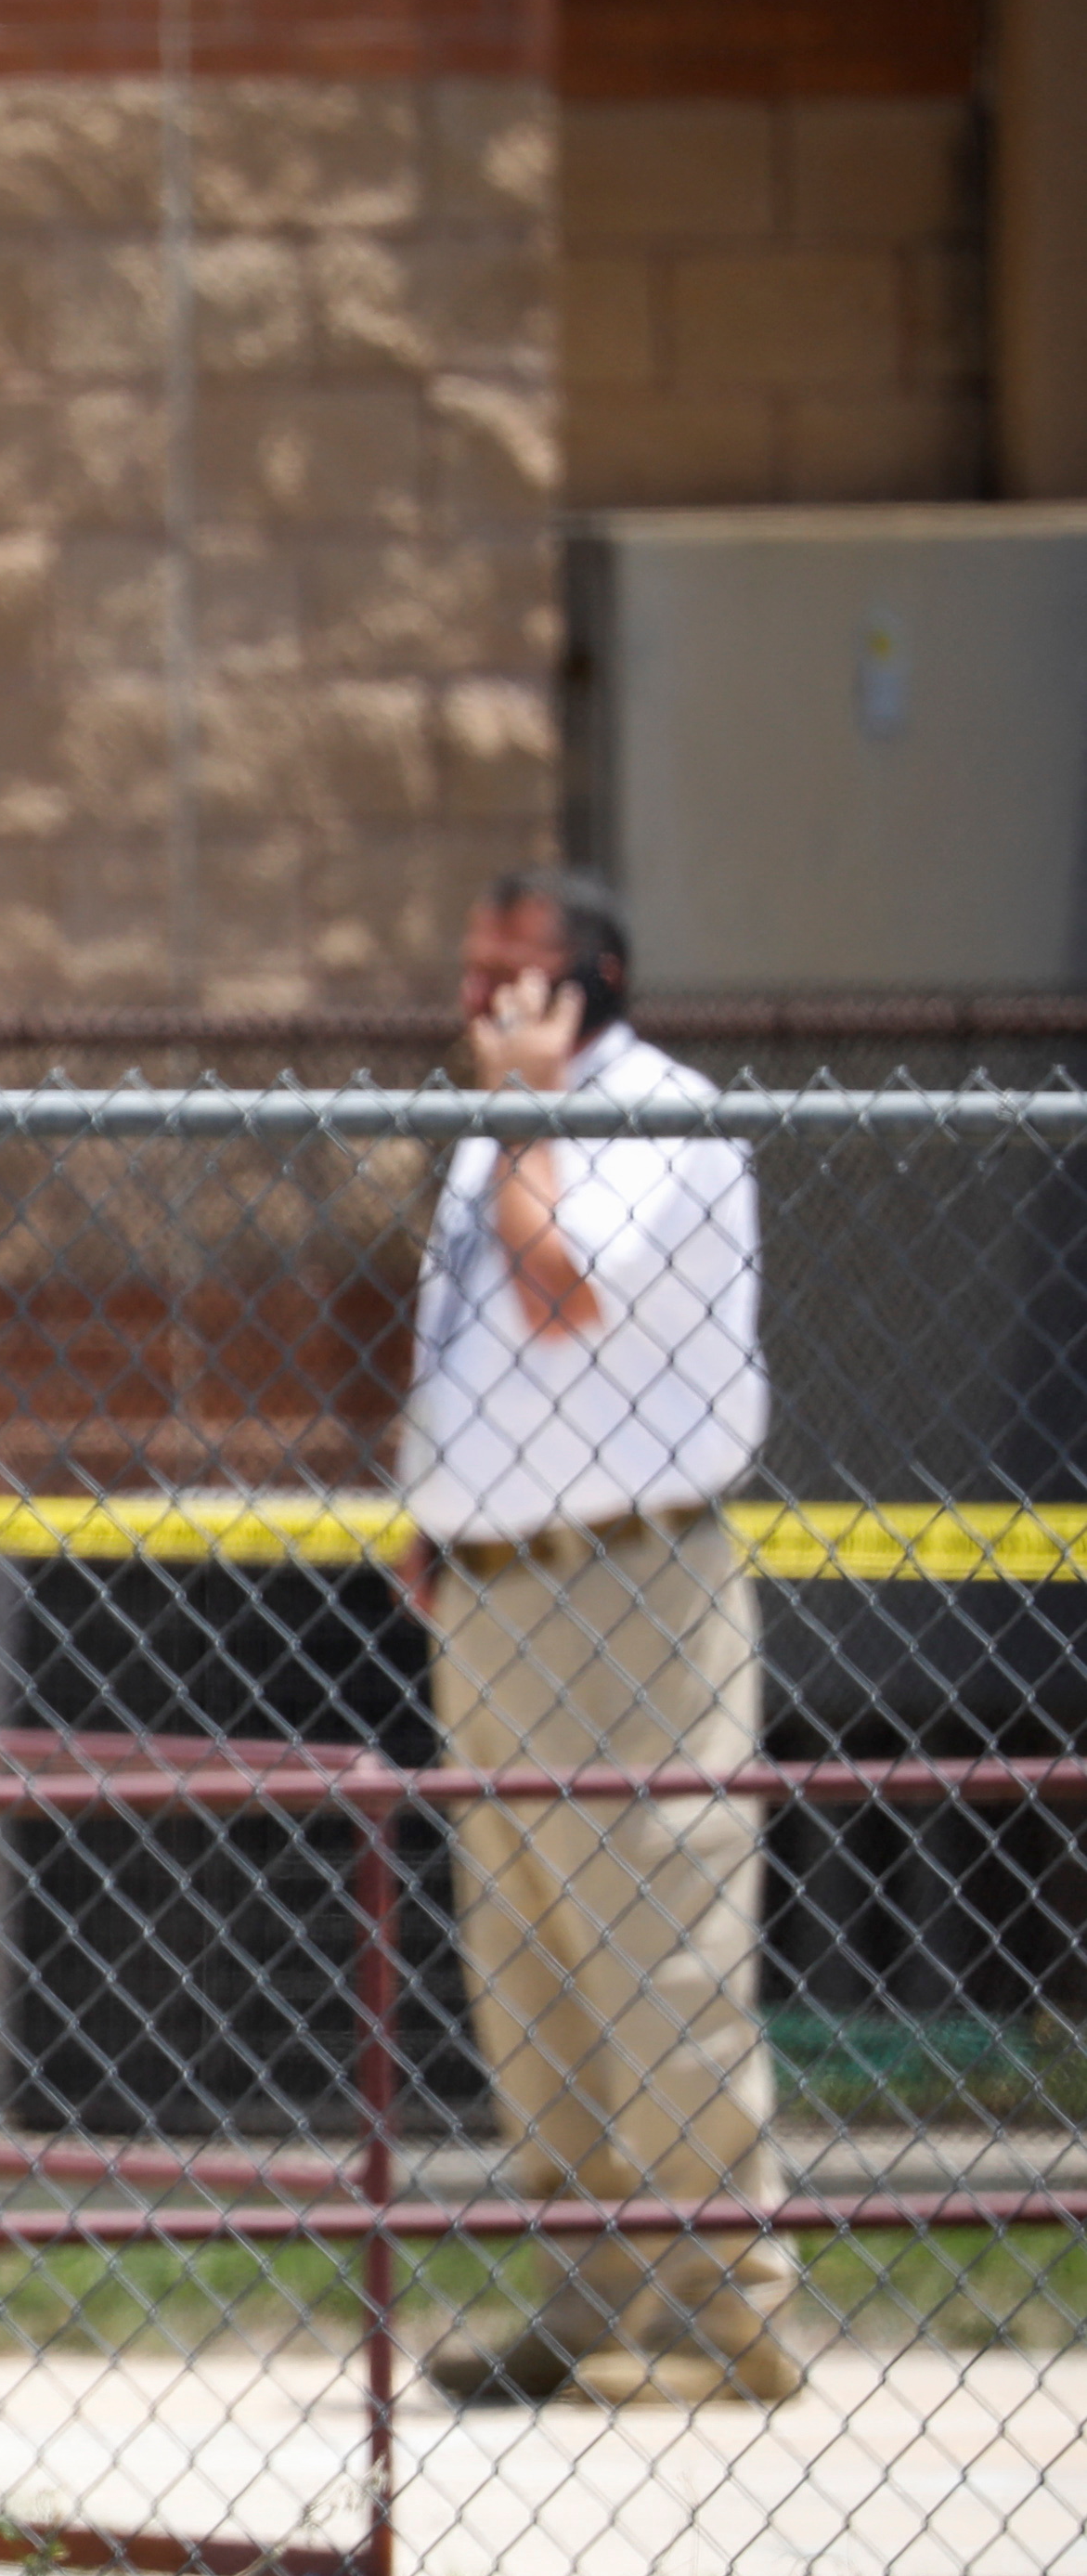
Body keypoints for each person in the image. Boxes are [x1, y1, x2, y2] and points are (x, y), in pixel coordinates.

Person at [404, 869, 796, 2406]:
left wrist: (522, 1112)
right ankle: (592, 2300)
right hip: (493, 1593)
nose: (482, 1005)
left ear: (592, 987)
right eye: (476, 974)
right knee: (533, 1968)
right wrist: (431, 1502)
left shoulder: (654, 1120)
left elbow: (562, 1291)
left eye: (517, 979)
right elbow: (479, 1342)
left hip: (630, 1592)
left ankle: (733, 2319)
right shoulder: (512, 1127)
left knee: (663, 1955)